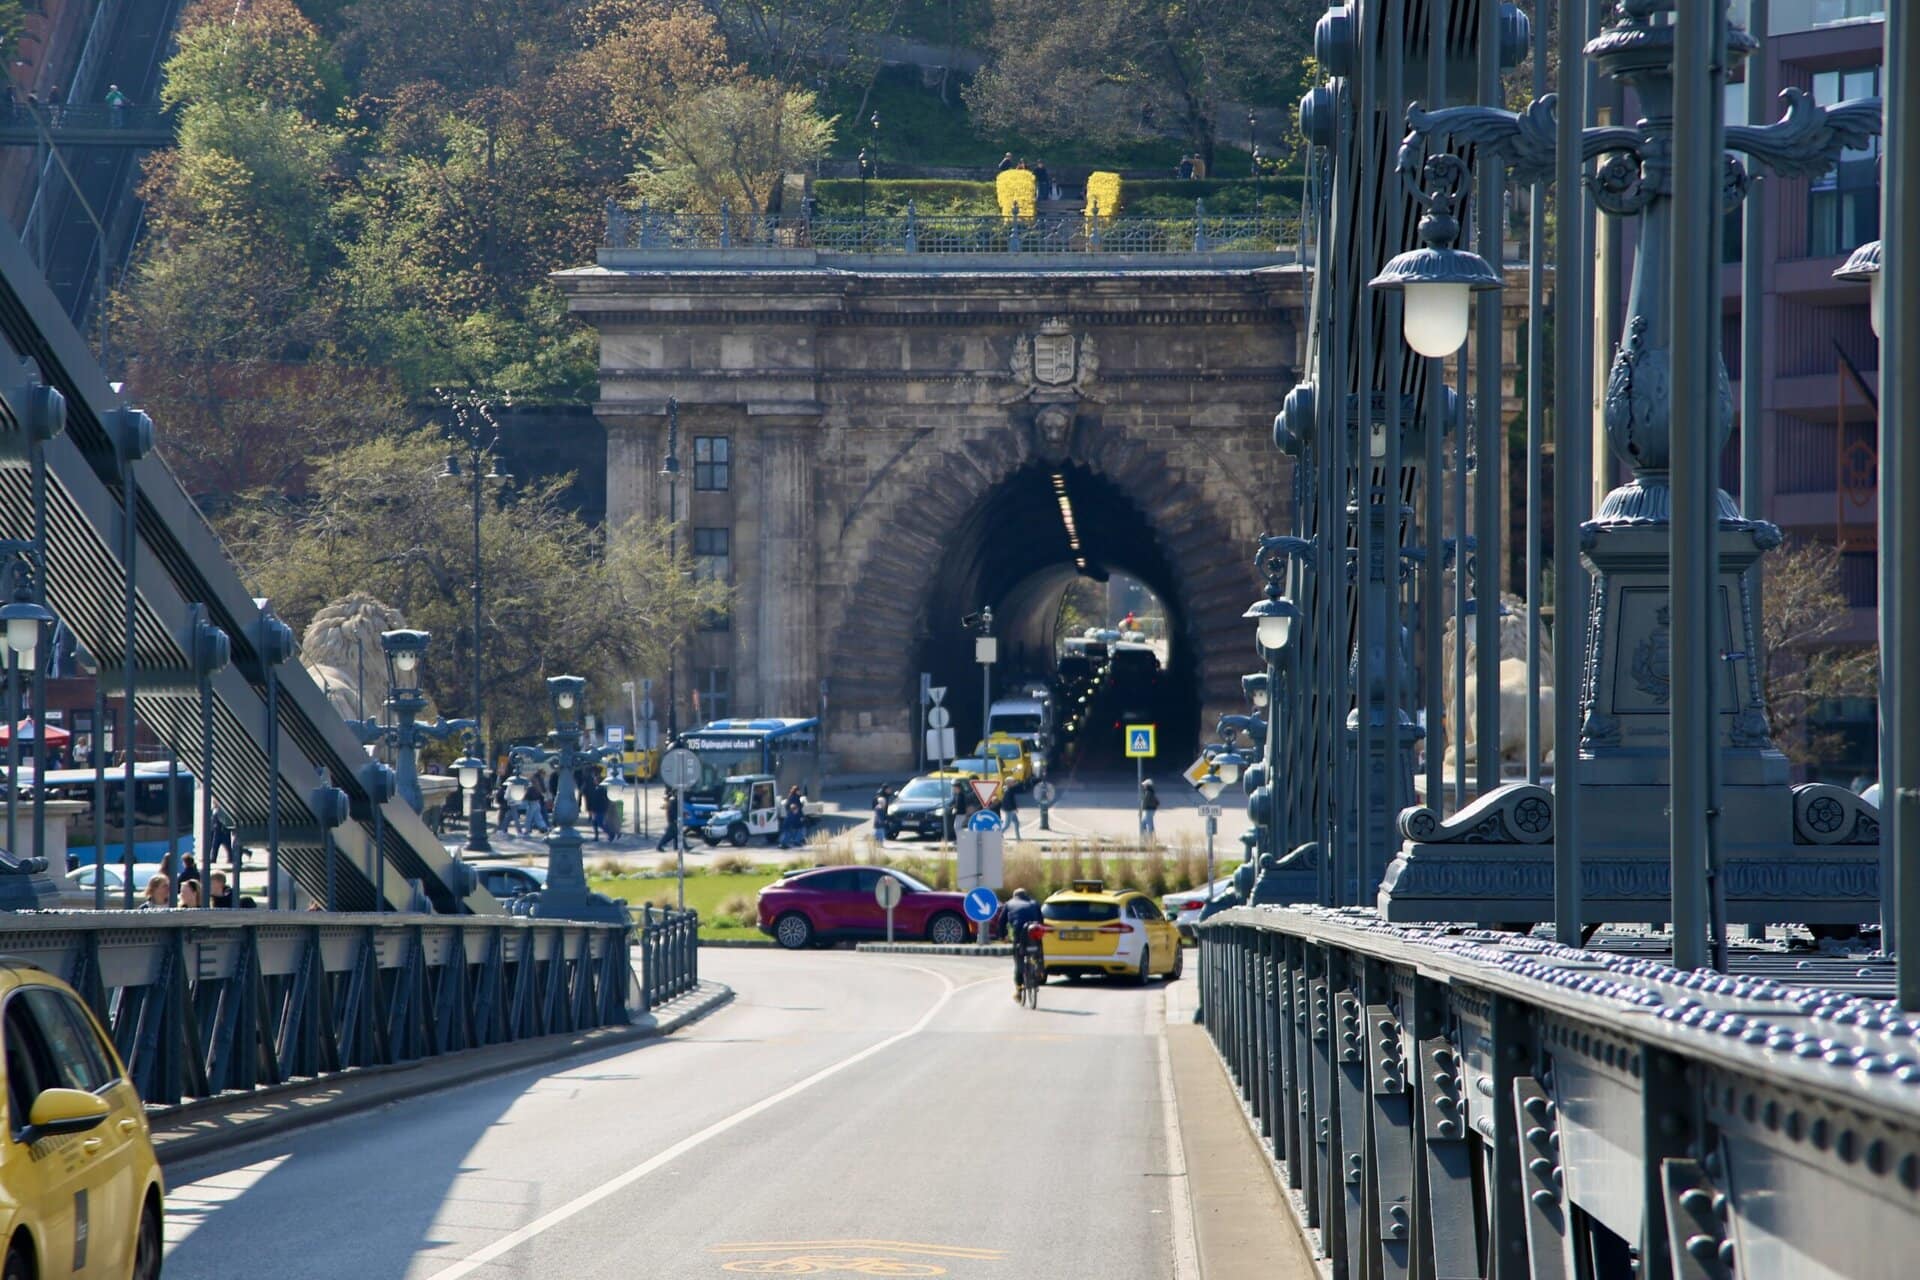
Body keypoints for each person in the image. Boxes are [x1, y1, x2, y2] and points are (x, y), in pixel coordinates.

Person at [1004, 888, 1044, 999]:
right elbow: (1041, 921)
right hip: (1034, 933)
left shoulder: (1009, 904)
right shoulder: (1035, 903)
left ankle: (1019, 990)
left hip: (1019, 935)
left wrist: (1003, 936)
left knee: (1019, 962)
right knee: (1038, 951)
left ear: (1014, 896)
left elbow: (1001, 922)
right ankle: (1039, 970)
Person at [778, 784, 806, 849]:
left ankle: (785, 843)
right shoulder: (795, 798)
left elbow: (791, 807)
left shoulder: (792, 797)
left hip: (791, 817)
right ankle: (786, 843)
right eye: (798, 790)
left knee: (789, 831)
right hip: (793, 818)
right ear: (796, 791)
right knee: (793, 831)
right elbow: (795, 808)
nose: (799, 792)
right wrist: (799, 813)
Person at [657, 787, 680, 851]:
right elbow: (672, 811)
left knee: (676, 834)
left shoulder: (673, 800)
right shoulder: (673, 801)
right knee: (669, 836)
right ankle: (659, 846)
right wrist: (676, 818)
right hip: (672, 820)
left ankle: (677, 847)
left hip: (672, 820)